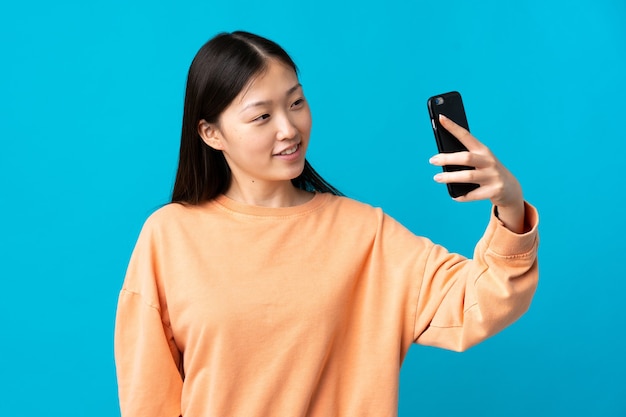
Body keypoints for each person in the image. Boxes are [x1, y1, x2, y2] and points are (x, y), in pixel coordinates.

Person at [114, 31, 539, 417]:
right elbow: (148, 400)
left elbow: (479, 302)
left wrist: (510, 206)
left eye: (296, 102)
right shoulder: (169, 236)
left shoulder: (364, 233)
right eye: (262, 116)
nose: (289, 128)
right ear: (211, 134)